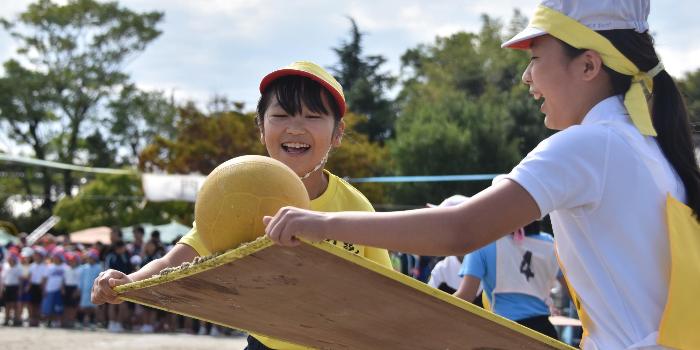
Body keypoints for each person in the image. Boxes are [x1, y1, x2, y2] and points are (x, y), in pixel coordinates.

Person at [263, 2, 700, 349]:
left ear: (588, 66)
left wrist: (317, 223)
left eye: (535, 57)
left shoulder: (591, 145)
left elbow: (460, 229)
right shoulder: (651, 148)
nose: (527, 77)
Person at [92, 61, 394, 349]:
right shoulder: (236, 193)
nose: (296, 128)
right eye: (281, 115)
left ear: (337, 133)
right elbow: (175, 261)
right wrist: (127, 282)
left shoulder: (355, 206)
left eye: (313, 117)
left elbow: (385, 292)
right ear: (261, 127)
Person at [454, 221, 561, 338]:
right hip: (544, 335)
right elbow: (576, 295)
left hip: (505, 335)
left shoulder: (483, 244)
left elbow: (465, 297)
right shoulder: (550, 243)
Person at [78, 249, 102, 330]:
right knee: (84, 307)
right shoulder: (84, 268)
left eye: (91, 258)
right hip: (85, 290)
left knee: (93, 307)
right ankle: (83, 322)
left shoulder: (98, 267)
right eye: (88, 257)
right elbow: (81, 279)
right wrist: (79, 288)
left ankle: (93, 322)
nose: (90, 259)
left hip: (94, 289)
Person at [1, 252, 23, 326]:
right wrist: (2, 289)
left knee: (15, 305)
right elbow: (3, 279)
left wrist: (20, 290)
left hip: (15, 287)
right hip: (7, 287)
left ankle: (16, 319)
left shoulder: (18, 268)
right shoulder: (6, 267)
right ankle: (7, 319)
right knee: (7, 305)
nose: (10, 260)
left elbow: (20, 280)